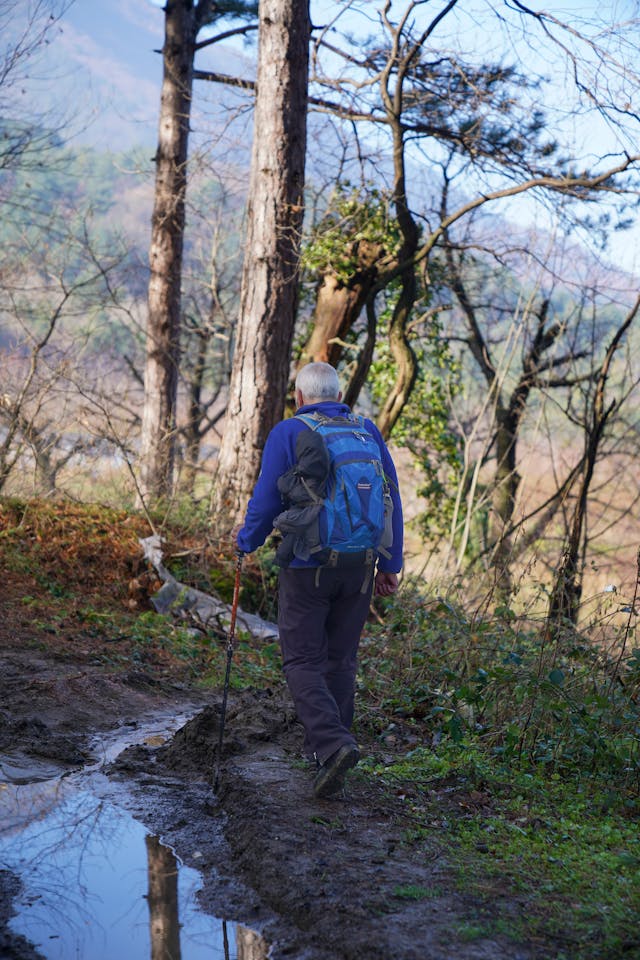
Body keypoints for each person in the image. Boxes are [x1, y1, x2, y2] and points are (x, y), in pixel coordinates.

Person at [236, 362, 403, 798]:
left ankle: (332, 746)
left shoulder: (290, 432)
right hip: (360, 564)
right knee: (340, 660)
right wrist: (390, 563)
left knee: (302, 660)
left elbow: (267, 497)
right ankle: (327, 757)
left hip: (308, 565)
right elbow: (391, 495)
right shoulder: (366, 430)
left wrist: (246, 542)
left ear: (299, 395)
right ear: (337, 392)